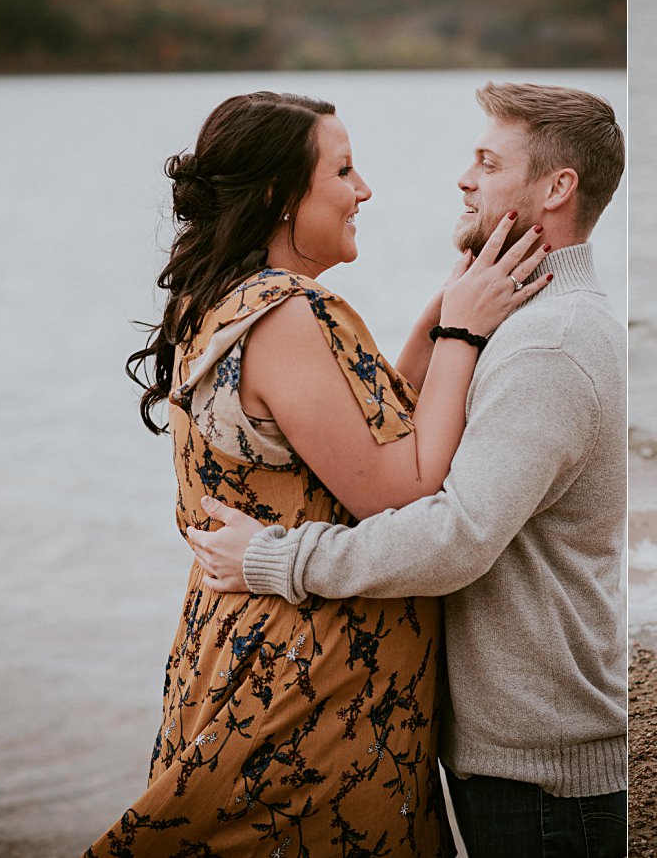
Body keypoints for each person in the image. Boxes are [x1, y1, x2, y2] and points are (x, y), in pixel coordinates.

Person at [89, 90, 547, 856]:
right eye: (343, 169)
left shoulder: (220, 300)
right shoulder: (290, 314)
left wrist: (441, 312)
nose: (363, 189)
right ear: (278, 195)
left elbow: (358, 440)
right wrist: (466, 331)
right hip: (315, 677)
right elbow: (398, 489)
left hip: (240, 644)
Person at [188, 82, 628, 858]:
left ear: (558, 188)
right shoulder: (512, 323)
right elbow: (380, 431)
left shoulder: (549, 343)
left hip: (545, 768)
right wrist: (449, 316)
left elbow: (454, 534)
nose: (463, 177)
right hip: (503, 750)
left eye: (488, 162)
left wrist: (273, 557)